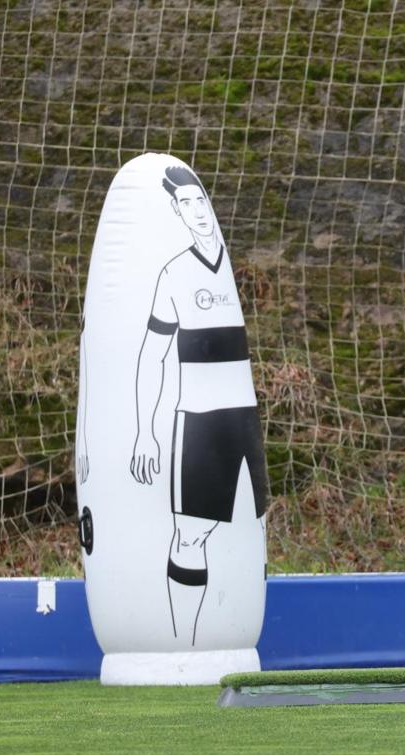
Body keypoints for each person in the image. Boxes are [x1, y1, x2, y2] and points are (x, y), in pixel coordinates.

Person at [129, 165, 269, 645]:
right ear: (176, 212)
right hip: (201, 424)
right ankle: (183, 646)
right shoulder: (173, 273)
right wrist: (146, 431)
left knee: (247, 531)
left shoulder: (227, 265)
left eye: (201, 201)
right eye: (185, 204)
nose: (197, 211)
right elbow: (152, 354)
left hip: (243, 422)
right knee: (191, 534)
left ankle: (228, 637)